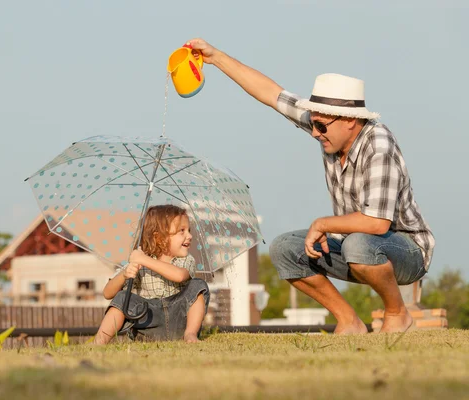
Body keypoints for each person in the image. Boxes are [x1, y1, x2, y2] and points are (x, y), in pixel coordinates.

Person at [185, 38, 435, 334]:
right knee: (284, 249)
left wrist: (323, 223)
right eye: (313, 124)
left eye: (322, 126)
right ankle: (348, 320)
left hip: (406, 251)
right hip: (358, 248)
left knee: (357, 243)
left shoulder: (379, 144)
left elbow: (378, 223)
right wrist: (216, 58)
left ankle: (397, 314)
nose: (315, 133)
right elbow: (271, 94)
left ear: (351, 122)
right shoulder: (329, 127)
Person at [94, 204, 210, 344]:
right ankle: (100, 341)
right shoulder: (139, 262)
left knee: (198, 285)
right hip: (148, 322)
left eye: (189, 230)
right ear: (159, 238)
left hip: (178, 320)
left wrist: (144, 259)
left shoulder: (185, 260)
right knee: (122, 297)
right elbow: (108, 293)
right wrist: (124, 274)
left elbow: (179, 276)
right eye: (182, 231)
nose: (190, 236)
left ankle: (190, 334)